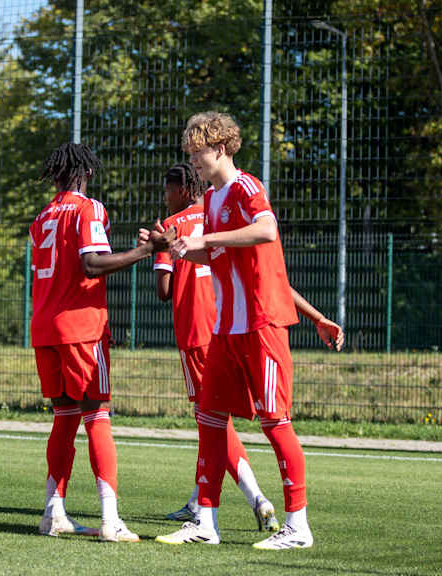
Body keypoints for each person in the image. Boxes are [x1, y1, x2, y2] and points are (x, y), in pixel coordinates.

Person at [155, 112, 328, 549]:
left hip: (262, 323)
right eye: (189, 152)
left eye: (197, 151)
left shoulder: (246, 186)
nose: (192, 159)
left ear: (219, 147)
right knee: (210, 419)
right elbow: (213, 258)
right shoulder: (212, 200)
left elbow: (267, 229)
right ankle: (206, 524)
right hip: (226, 330)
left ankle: (298, 526)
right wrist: (179, 249)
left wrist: (207, 241)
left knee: (275, 422)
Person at [31, 142, 172, 543]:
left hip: (45, 327)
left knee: (63, 418)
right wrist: (147, 250)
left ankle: (53, 512)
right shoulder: (87, 208)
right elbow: (91, 262)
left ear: (56, 174)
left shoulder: (42, 216)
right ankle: (111, 519)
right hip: (81, 328)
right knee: (97, 417)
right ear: (86, 173)